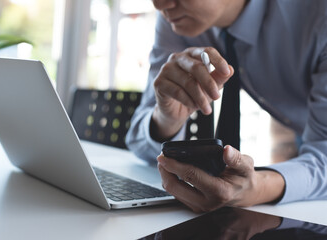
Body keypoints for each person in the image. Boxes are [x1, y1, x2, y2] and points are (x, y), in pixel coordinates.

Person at [125, 0, 327, 212]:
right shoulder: (178, 20)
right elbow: (138, 141)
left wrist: (259, 187)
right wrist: (166, 119)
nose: (159, 4)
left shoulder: (318, 14)